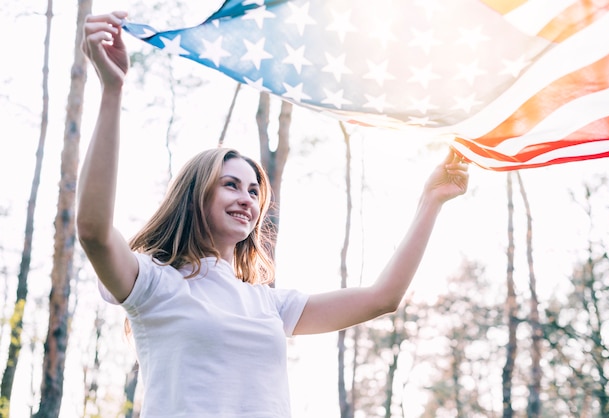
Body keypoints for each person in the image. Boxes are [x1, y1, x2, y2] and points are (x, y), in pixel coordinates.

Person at [77, 10, 470, 418]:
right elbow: (93, 231)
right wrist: (112, 90)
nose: (247, 199)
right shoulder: (155, 284)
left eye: (254, 191)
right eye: (230, 184)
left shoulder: (268, 304)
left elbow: (381, 299)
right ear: (195, 195)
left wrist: (430, 202)